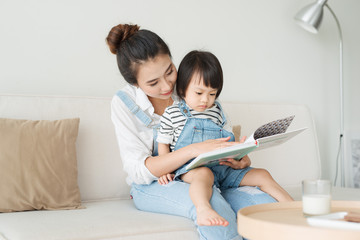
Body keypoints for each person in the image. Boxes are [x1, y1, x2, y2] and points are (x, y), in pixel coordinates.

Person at [107, 23, 276, 240]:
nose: (167, 85)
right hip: (156, 184)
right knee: (214, 208)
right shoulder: (124, 103)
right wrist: (193, 150)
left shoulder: (190, 85)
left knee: (266, 207)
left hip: (210, 174)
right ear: (135, 83)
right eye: (153, 82)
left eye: (170, 71)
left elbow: (218, 135)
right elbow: (139, 169)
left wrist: (239, 158)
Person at [156, 50, 293, 227]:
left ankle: (294, 208)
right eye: (199, 93)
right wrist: (165, 171)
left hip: (223, 168)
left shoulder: (217, 110)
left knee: (262, 174)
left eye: (212, 94)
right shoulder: (173, 113)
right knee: (204, 175)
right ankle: (203, 209)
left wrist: (241, 149)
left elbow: (227, 138)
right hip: (192, 170)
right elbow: (163, 144)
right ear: (182, 89)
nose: (206, 100)